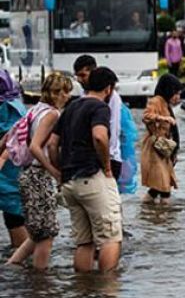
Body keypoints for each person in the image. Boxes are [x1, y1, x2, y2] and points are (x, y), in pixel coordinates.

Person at [50, 67, 122, 272]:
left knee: (84, 242)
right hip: (92, 177)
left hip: (69, 181)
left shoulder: (71, 107)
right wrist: (107, 166)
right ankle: (108, 286)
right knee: (110, 238)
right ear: (108, 89)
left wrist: (60, 170)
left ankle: (82, 287)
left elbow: (53, 144)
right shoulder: (100, 107)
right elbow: (99, 136)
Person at [6, 73, 72, 270]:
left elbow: (9, 136)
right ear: (56, 93)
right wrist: (54, 171)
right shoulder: (52, 114)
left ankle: (12, 265)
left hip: (27, 173)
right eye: (65, 92)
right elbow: (35, 146)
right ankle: (40, 278)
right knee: (46, 233)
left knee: (37, 231)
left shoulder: (35, 109)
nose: (68, 96)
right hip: (38, 175)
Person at [73, 55, 124, 180]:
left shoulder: (111, 96)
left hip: (107, 157)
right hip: (88, 158)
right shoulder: (83, 95)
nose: (79, 80)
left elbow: (113, 128)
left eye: (83, 75)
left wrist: (108, 160)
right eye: (77, 76)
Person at [141, 74, 182, 204]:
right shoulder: (155, 101)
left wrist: (174, 152)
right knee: (164, 186)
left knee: (158, 186)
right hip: (155, 148)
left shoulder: (166, 103)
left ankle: (147, 211)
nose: (178, 97)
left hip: (164, 148)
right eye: (176, 93)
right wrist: (163, 118)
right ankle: (166, 214)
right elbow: (146, 116)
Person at [0, 72, 26, 250]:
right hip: (13, 173)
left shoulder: (10, 109)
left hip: (10, 172)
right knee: (14, 214)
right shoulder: (17, 107)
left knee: (14, 216)